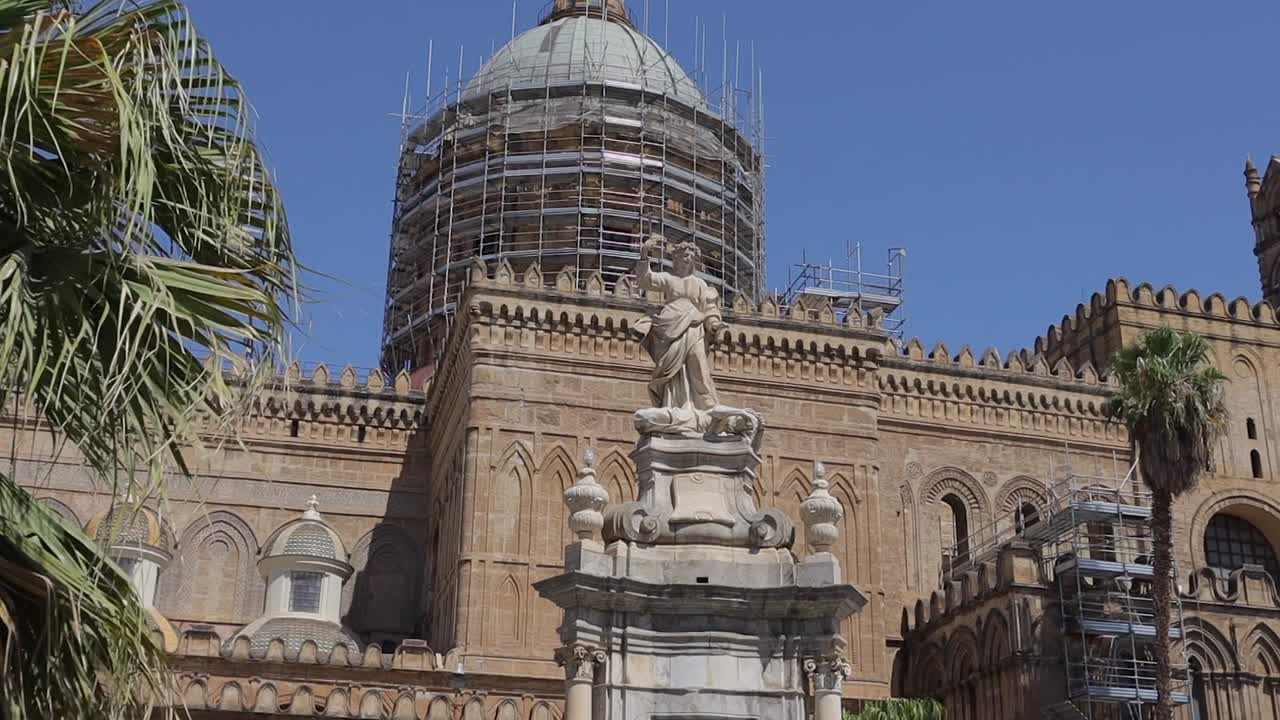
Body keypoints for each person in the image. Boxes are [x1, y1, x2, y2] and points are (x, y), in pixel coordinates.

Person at [633, 235, 757, 438]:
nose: (686, 259)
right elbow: (644, 279)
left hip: (693, 326)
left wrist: (715, 324)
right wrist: (645, 252)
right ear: (676, 259)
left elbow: (709, 308)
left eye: (690, 256)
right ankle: (675, 404)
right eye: (683, 255)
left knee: (698, 363)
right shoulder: (669, 279)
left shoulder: (700, 284)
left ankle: (707, 406)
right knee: (672, 372)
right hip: (670, 327)